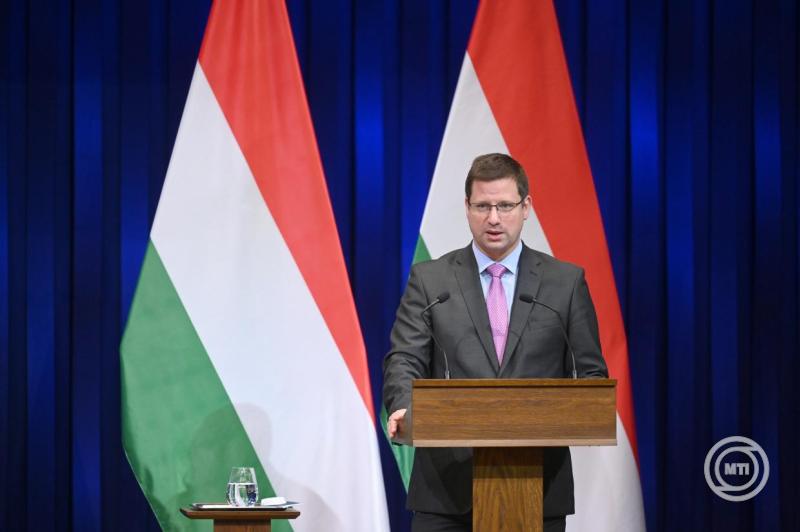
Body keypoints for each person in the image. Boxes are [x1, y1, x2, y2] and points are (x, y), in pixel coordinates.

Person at [383, 153, 609, 532]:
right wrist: (406, 407)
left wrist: (583, 408)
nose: (493, 218)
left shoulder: (565, 283)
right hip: (445, 490)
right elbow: (404, 358)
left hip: (538, 486)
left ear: (526, 207)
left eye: (504, 206)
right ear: (467, 207)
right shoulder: (431, 281)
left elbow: (591, 374)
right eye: (482, 206)